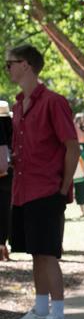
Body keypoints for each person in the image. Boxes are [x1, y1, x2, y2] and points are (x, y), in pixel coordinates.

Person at [6, 44, 79, 319]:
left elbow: (72, 147)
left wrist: (62, 188)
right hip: (24, 189)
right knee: (35, 252)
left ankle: (58, 317)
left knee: (48, 254)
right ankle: (40, 311)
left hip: (47, 190)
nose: (7, 69)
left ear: (25, 64)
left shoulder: (53, 101)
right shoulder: (18, 104)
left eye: (9, 64)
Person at [0, 99, 12, 261]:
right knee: (4, 211)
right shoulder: (12, 127)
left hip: (5, 171)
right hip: (8, 174)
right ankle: (3, 245)